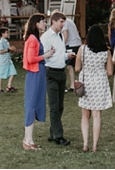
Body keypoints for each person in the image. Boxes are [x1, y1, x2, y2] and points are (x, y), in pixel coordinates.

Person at [76, 24, 114, 152]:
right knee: (97, 115)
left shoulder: (82, 49)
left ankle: (85, 143)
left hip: (86, 83)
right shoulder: (106, 52)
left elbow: (77, 68)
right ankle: (94, 146)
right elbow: (110, 72)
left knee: (85, 115)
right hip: (99, 83)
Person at [22, 13, 55, 150]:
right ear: (36, 23)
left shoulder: (34, 38)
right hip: (35, 74)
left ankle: (29, 139)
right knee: (32, 104)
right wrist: (45, 55)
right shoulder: (33, 39)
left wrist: (45, 54)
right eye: (43, 22)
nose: (45, 24)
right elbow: (31, 59)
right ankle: (27, 140)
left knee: (34, 104)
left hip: (38, 73)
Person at [40, 11, 72, 146]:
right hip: (50, 73)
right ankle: (58, 136)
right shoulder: (46, 37)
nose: (63, 25)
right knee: (54, 105)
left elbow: (59, 54)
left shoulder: (59, 36)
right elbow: (44, 55)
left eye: (64, 22)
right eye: (61, 22)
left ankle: (54, 132)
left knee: (60, 106)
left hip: (61, 72)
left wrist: (67, 56)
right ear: (53, 21)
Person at [62, 17, 82, 92]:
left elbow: (65, 35)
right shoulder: (70, 20)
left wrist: (61, 45)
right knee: (78, 64)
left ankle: (72, 86)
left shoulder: (64, 22)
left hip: (71, 45)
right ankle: (81, 83)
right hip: (77, 43)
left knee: (69, 65)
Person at [0, 27, 18, 93]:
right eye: (7, 32)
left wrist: (12, 51)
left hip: (8, 60)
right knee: (1, 75)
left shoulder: (6, 42)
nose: (8, 34)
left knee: (13, 72)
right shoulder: (1, 42)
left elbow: (8, 50)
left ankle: (9, 86)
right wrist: (8, 49)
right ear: (2, 34)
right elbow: (0, 51)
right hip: (3, 61)